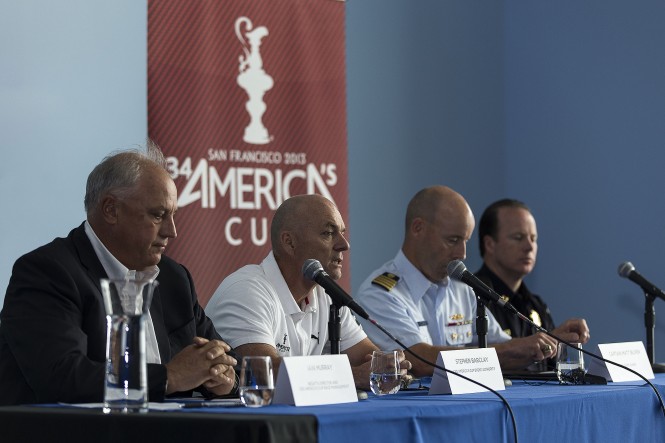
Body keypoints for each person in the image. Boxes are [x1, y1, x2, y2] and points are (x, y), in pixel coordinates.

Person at [0, 143, 237, 406]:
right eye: (158, 215)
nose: (172, 231)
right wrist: (169, 377)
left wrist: (223, 379)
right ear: (111, 209)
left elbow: (227, 360)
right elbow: (62, 378)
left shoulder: (174, 278)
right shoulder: (48, 272)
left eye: (173, 216)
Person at [354, 186, 590, 377]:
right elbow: (419, 360)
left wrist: (550, 340)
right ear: (418, 229)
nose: (462, 253)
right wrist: (512, 349)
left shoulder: (463, 290)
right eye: (453, 240)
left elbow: (505, 346)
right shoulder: (381, 294)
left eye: (465, 240)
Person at [206, 194, 410, 390]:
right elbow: (265, 373)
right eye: (328, 233)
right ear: (289, 242)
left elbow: (367, 357)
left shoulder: (326, 294)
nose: (344, 244)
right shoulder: (247, 290)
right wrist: (352, 377)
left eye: (342, 233)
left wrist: (389, 365)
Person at [475, 198, 589, 370]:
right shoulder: (471, 297)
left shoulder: (535, 304)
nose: (529, 246)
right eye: (518, 237)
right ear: (490, 244)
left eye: (533, 238)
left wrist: (558, 340)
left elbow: (550, 371)